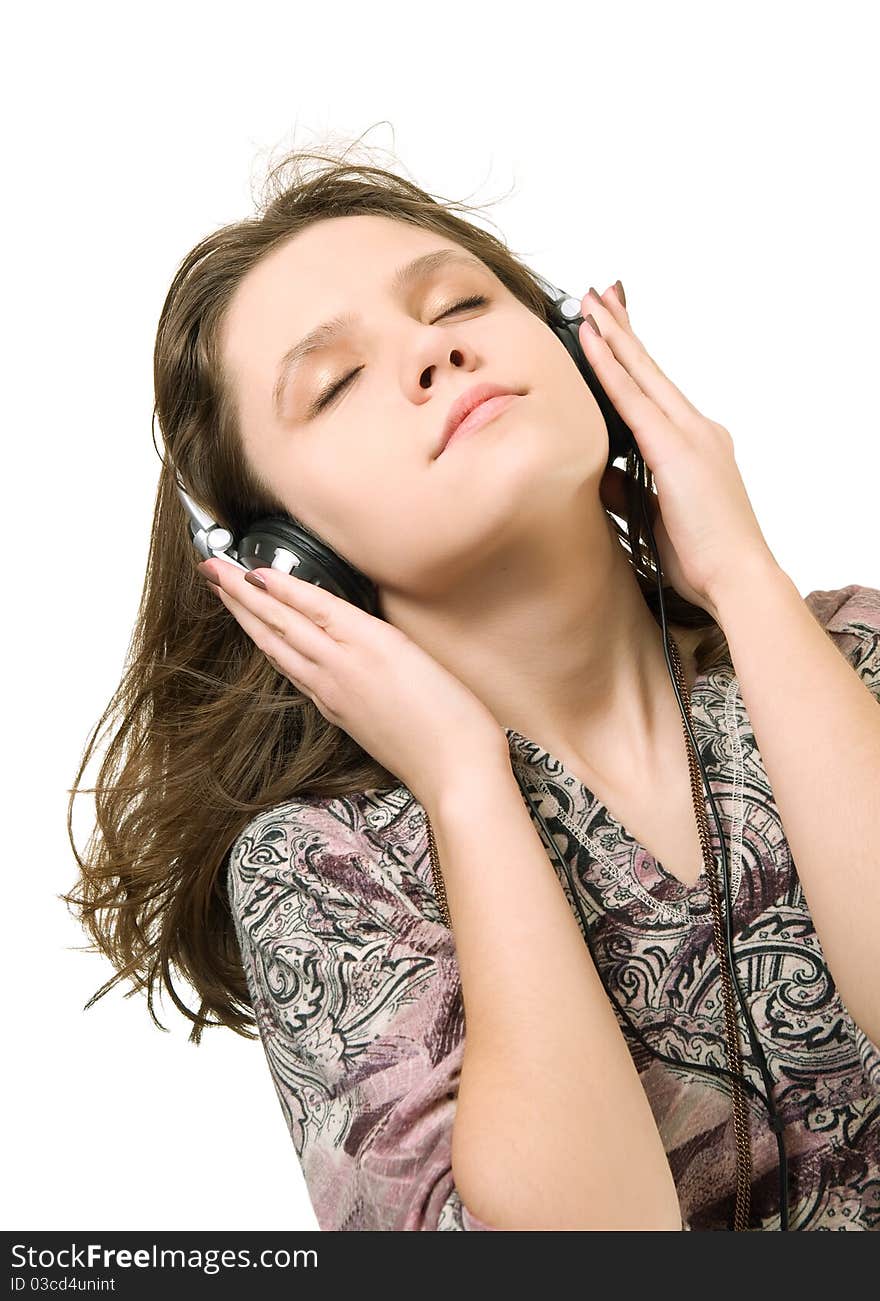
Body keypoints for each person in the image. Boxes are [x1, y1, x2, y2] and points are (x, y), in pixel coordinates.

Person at [65, 143, 880, 1232]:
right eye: (337, 380)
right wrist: (464, 783)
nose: (437, 351)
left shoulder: (845, 650)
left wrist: (743, 572)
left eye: (457, 301)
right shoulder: (330, 870)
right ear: (286, 557)